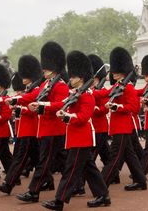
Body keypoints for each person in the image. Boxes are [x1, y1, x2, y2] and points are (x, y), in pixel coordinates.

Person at [42, 51, 111, 210]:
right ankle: (103, 195)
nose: (70, 79)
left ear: (80, 78)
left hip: (82, 137)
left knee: (70, 170)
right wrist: (47, 107)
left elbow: (83, 117)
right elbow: (61, 104)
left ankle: (59, 201)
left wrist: (67, 117)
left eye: (72, 77)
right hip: (75, 137)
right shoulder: (74, 94)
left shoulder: (87, 96)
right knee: (89, 168)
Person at [14, 42, 69, 203]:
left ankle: (33, 192)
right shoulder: (45, 84)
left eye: (45, 68)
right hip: (46, 129)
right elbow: (32, 96)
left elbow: (61, 104)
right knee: (72, 162)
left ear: (53, 68)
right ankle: (80, 184)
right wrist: (15, 99)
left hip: (54, 129)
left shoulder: (60, 85)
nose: (43, 70)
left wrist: (42, 106)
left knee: (44, 163)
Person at [95, 47, 147, 191]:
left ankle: (101, 186)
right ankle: (141, 181)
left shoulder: (128, 87)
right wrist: (89, 92)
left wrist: (118, 107)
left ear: (123, 71)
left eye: (116, 71)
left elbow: (135, 107)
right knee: (130, 155)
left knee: (114, 158)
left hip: (123, 127)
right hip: (118, 126)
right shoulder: (118, 85)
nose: (114, 73)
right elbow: (104, 93)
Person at [0, 55, 42, 195]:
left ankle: (8, 184)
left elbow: (35, 107)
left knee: (20, 157)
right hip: (24, 129)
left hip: (30, 128)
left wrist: (18, 105)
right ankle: (48, 180)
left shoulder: (36, 89)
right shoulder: (29, 89)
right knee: (38, 159)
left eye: (25, 75)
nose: (22, 77)